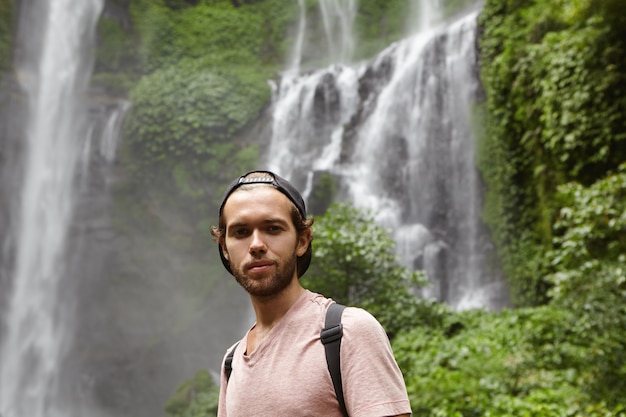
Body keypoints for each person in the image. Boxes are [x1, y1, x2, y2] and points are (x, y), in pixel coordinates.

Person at [211, 170, 412, 417]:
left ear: (302, 241)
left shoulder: (348, 333)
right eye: (241, 232)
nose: (256, 245)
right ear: (225, 248)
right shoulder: (232, 363)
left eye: (273, 228)